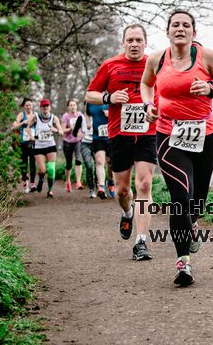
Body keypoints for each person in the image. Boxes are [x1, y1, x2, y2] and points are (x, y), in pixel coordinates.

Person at [140, 10, 213, 286]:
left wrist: (211, 88)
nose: (180, 28)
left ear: (194, 33)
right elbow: (146, 84)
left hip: (205, 135)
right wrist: (148, 105)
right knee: (180, 197)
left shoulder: (207, 57)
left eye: (186, 25)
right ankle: (183, 262)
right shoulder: (157, 59)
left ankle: (192, 222)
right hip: (168, 135)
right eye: (175, 25)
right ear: (168, 31)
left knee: (197, 201)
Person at [85, 23, 157, 261]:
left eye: (138, 40)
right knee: (123, 190)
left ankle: (141, 241)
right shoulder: (110, 65)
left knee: (144, 185)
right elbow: (90, 94)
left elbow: (165, 93)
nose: (134, 44)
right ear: (123, 42)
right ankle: (127, 212)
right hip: (119, 134)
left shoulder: (154, 64)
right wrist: (109, 97)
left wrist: (156, 110)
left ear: (145, 42)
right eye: (130, 40)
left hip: (148, 132)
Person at [27, 99, 64, 199]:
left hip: (50, 145)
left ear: (50, 107)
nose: (45, 108)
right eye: (43, 106)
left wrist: (55, 130)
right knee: (42, 170)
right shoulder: (36, 117)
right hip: (39, 146)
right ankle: (41, 179)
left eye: (47, 106)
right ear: (40, 108)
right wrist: (31, 137)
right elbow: (28, 127)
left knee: (51, 169)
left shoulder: (54, 118)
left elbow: (61, 132)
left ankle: (50, 190)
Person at [86, 102, 114, 199]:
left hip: (111, 136)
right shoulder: (91, 102)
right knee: (99, 161)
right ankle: (101, 187)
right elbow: (88, 113)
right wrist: (88, 123)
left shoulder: (111, 99)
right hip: (98, 137)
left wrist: (111, 114)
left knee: (111, 163)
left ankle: (111, 182)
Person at [11, 98, 37, 193]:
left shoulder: (35, 115)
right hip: (23, 142)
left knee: (33, 161)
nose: (28, 107)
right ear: (24, 106)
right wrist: (22, 122)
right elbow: (14, 127)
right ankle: (25, 180)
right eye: (27, 105)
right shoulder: (21, 115)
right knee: (24, 163)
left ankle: (33, 183)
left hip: (32, 141)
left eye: (30, 105)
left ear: (32, 106)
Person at [61, 100, 85, 192]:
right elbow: (63, 130)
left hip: (77, 140)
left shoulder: (80, 115)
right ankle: (68, 181)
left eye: (74, 105)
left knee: (78, 160)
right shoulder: (65, 116)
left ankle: (78, 182)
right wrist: (70, 128)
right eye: (71, 105)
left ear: (76, 106)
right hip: (67, 141)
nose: (73, 107)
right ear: (68, 107)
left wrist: (82, 133)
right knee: (69, 163)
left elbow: (84, 127)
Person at [80, 107, 97, 198]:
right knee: (89, 165)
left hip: (96, 143)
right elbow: (74, 132)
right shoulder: (81, 117)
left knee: (99, 165)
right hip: (85, 144)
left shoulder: (98, 115)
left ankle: (99, 185)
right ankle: (91, 189)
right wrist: (78, 134)